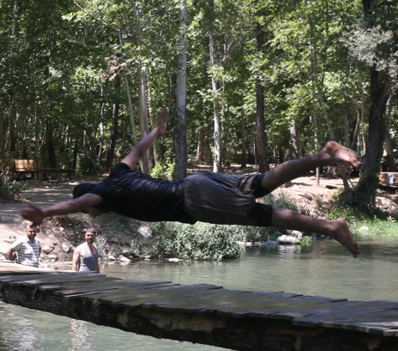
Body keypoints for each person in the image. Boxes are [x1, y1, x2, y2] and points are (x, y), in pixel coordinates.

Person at [21, 108, 362, 258]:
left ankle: (330, 227)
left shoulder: (99, 195)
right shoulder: (118, 173)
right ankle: (322, 156)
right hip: (198, 182)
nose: (91, 215)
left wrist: (45, 212)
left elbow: (78, 204)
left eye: (92, 209)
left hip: (193, 203)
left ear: (93, 200)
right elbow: (138, 150)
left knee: (261, 216)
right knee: (262, 182)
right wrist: (156, 130)